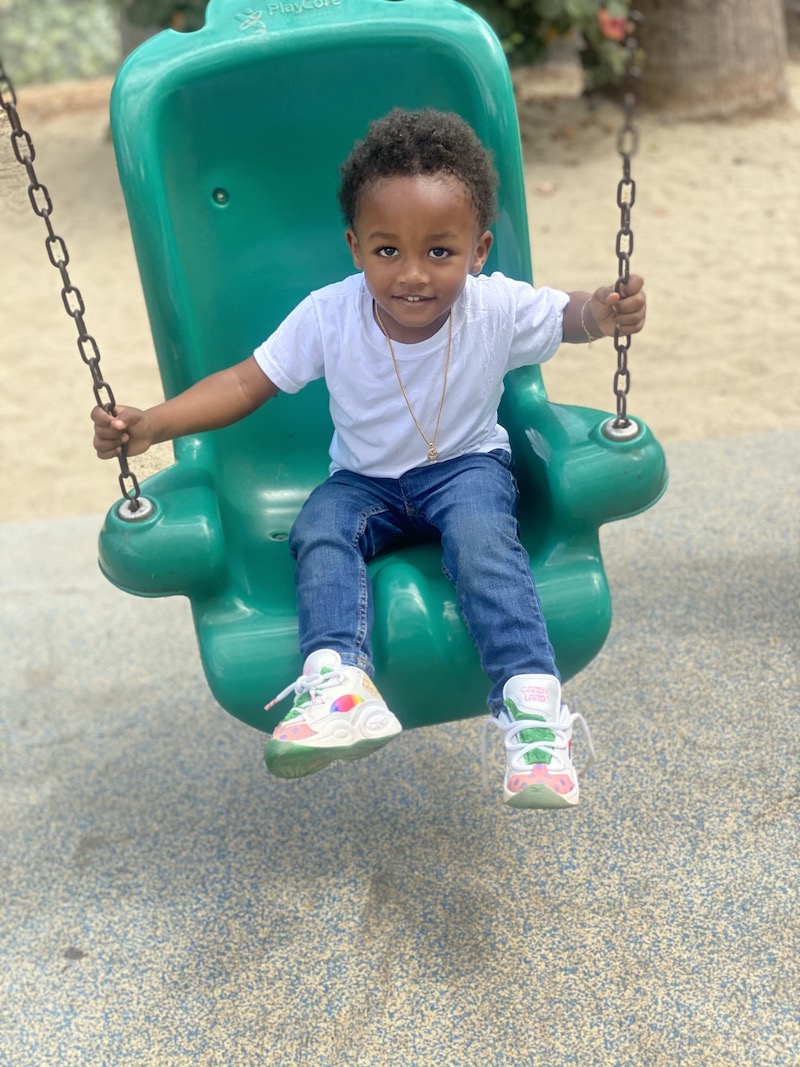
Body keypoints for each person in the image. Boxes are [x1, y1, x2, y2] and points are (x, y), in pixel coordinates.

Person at [92, 108, 646, 809]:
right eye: (388, 251)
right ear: (356, 247)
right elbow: (244, 381)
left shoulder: (496, 306)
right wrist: (152, 423)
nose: (411, 275)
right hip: (364, 483)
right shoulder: (329, 314)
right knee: (320, 527)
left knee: (483, 542)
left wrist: (603, 312)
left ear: (478, 251)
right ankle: (336, 682)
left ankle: (532, 714)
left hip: (466, 467)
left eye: (439, 253)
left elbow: (566, 317)